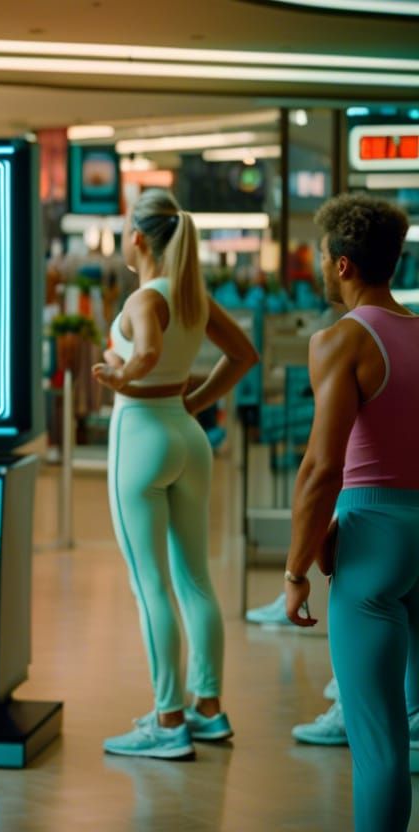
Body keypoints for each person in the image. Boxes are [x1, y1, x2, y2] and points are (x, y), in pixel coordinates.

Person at [92, 189, 258, 760]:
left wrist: (121, 379)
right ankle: (207, 709)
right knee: (195, 581)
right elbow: (244, 355)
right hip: (188, 438)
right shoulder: (192, 296)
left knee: (151, 587)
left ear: (136, 237)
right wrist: (197, 403)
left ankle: (167, 721)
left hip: (140, 434)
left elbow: (145, 351)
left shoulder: (144, 299)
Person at [282, 194, 417, 831]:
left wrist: (295, 569)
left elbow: (320, 469)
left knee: (379, 739)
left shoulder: (341, 341)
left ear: (341, 265)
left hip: (373, 544)